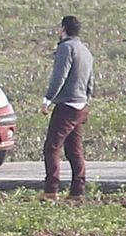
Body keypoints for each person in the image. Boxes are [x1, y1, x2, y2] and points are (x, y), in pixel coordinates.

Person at [41, 14, 95, 201]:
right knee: (74, 149)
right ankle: (77, 191)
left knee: (52, 147)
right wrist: (85, 100)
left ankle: (51, 190)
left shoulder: (66, 48)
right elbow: (90, 82)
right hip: (81, 106)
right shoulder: (85, 51)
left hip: (66, 105)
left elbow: (60, 76)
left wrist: (48, 99)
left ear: (63, 29)